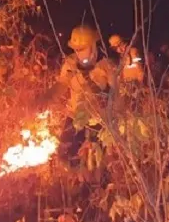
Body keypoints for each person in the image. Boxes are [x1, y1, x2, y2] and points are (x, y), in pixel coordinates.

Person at [37, 25, 116, 166]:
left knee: (97, 161)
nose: (80, 54)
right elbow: (61, 84)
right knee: (64, 154)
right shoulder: (70, 64)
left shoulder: (106, 66)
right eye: (76, 50)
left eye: (83, 49)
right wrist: (47, 97)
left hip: (98, 119)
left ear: (93, 45)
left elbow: (117, 94)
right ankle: (72, 182)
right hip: (75, 116)